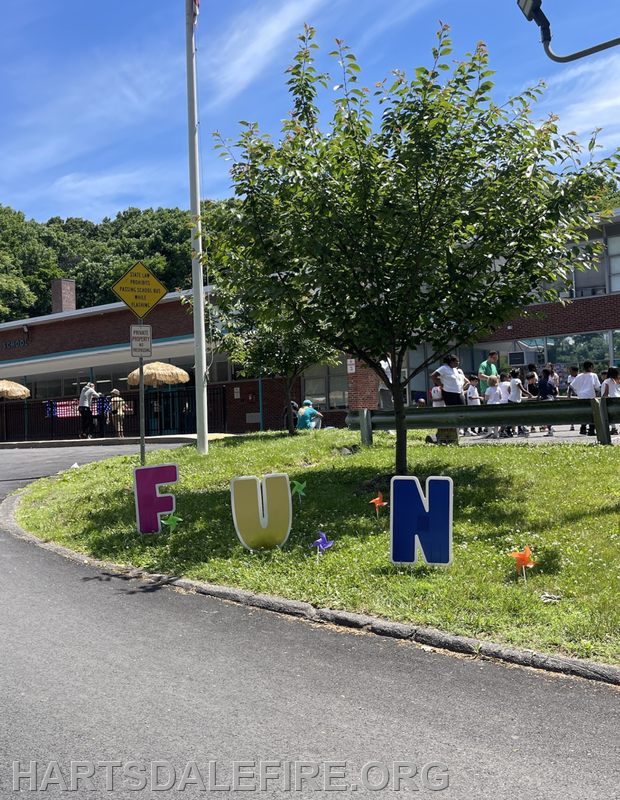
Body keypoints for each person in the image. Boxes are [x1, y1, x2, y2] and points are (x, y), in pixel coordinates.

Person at [569, 361, 601, 436]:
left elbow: (571, 386)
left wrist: (572, 394)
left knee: (584, 412)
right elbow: (597, 387)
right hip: (590, 396)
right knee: (593, 413)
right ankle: (591, 429)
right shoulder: (593, 375)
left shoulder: (579, 376)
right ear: (591, 367)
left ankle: (583, 428)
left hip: (581, 396)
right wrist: (597, 394)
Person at [507, 368, 533, 437]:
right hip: (515, 400)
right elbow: (522, 389)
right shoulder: (517, 380)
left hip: (511, 399)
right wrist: (529, 394)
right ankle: (520, 430)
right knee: (518, 415)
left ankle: (509, 429)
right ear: (518, 374)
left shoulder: (512, 380)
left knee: (513, 416)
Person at [601, 366, 620, 436]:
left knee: (609, 414)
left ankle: (613, 428)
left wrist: (601, 399)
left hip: (612, 400)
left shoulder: (607, 381)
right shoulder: (619, 381)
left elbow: (606, 393)